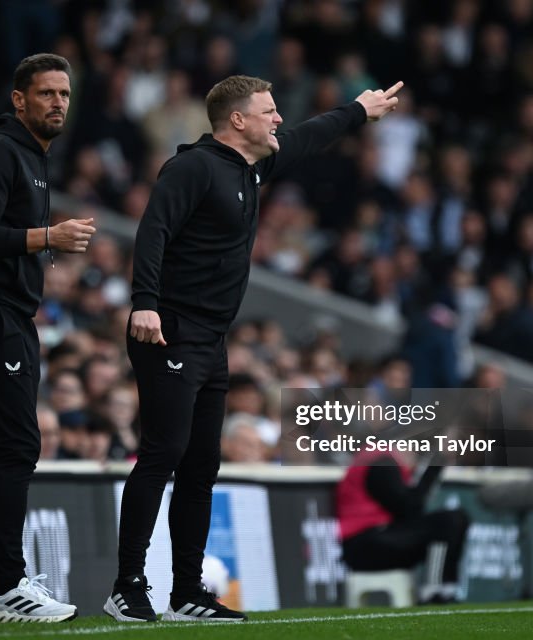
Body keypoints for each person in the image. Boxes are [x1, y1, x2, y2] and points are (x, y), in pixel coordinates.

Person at [107, 75, 402, 623]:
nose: (278, 120)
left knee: (200, 467)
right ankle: (127, 584)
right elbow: (153, 231)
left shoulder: (251, 167)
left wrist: (358, 111)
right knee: (162, 454)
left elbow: (311, 136)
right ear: (237, 120)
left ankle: (187, 592)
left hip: (211, 338)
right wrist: (143, 301)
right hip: (168, 328)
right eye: (268, 111)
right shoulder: (192, 167)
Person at [0, 52, 95, 624]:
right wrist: (45, 236)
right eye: (47, 93)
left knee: (7, 447)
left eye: (65, 94)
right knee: (15, 446)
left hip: (6, 314)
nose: (58, 103)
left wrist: (43, 240)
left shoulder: (30, 156)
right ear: (19, 98)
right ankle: (7, 584)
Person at [336, 448, 469, 604]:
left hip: (375, 537)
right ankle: (434, 591)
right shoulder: (380, 462)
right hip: (365, 544)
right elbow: (409, 508)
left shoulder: (380, 459)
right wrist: (434, 466)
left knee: (453, 518)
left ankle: (446, 587)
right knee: (447, 522)